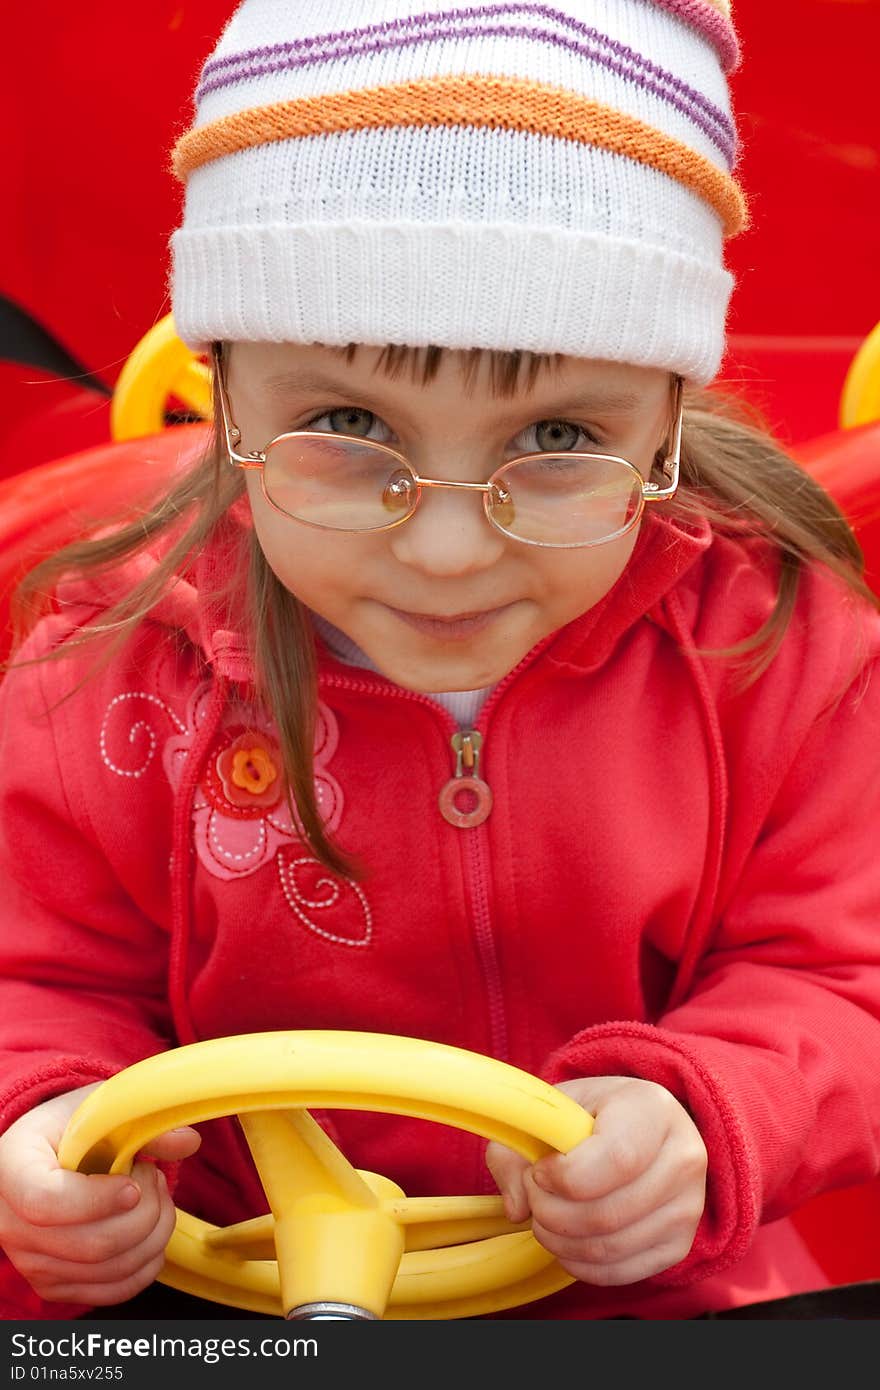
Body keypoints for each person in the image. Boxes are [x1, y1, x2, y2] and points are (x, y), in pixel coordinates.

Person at [1, 0, 879, 1323]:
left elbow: (846, 971)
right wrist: (45, 1125)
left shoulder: (773, 645)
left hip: (655, 1291)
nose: (455, 547)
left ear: (668, 420)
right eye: (349, 423)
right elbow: (34, 972)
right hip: (223, 1290)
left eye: (559, 436)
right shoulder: (118, 671)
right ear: (222, 388)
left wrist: (705, 1107)